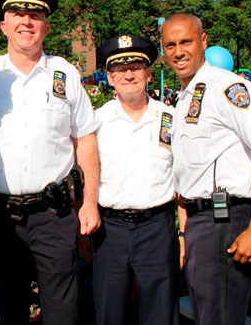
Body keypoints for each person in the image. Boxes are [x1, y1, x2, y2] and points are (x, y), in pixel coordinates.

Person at [0, 0, 101, 325]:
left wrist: (89, 203)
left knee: (62, 312)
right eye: (17, 13)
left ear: (45, 25)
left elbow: (85, 138)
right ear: (4, 25)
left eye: (35, 14)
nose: (26, 21)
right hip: (0, 218)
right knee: (10, 309)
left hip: (54, 215)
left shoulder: (66, 74)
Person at [162, 13, 251, 325]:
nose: (178, 51)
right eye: (170, 45)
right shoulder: (185, 97)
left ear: (203, 42)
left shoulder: (227, 88)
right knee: (208, 316)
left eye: (186, 41)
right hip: (201, 225)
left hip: (227, 220)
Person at [93, 35, 179, 325]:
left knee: (161, 313)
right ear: (109, 77)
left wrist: (184, 236)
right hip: (110, 231)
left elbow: (183, 180)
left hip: (158, 228)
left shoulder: (171, 119)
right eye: (119, 69)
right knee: (109, 312)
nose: (128, 74)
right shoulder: (96, 121)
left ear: (148, 73)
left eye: (136, 67)